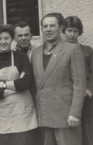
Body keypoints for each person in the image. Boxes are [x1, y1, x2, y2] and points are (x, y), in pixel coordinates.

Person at [32, 13, 86, 145]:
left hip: (66, 115)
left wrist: (75, 113)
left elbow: (79, 84)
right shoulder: (36, 52)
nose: (48, 29)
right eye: (45, 26)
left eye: (52, 25)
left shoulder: (72, 49)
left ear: (60, 27)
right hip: (44, 112)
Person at [0, 24, 38, 145]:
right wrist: (16, 85)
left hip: (23, 114)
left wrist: (1, 85)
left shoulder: (22, 57)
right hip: (1, 116)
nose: (3, 42)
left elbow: (26, 83)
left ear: (12, 39)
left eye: (6, 38)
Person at [63, 16, 93, 145]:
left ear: (79, 32)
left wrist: (88, 90)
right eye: (69, 30)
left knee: (87, 126)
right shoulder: (60, 51)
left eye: (75, 31)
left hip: (85, 97)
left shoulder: (87, 50)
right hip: (67, 96)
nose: (72, 34)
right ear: (63, 31)